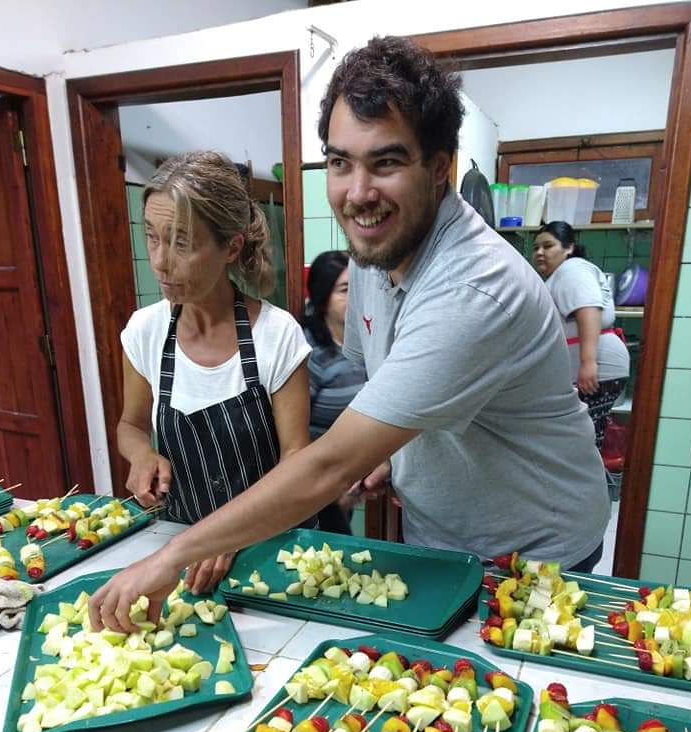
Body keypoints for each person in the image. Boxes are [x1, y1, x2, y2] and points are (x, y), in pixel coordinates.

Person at [90, 36, 611, 633]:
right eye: (340, 162)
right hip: (439, 533)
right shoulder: (374, 255)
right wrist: (388, 453)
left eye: (385, 162)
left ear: (439, 168)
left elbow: (327, 465)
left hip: (535, 547)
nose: (357, 193)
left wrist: (170, 556)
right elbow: (388, 386)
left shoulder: (473, 287)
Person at [118, 151, 312, 594]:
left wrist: (232, 533)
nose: (161, 261)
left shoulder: (276, 336)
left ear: (231, 247)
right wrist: (141, 456)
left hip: (273, 551)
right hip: (177, 550)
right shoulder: (145, 332)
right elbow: (129, 425)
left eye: (181, 243)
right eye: (152, 237)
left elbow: (298, 459)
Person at [533, 221, 630, 450]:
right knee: (580, 445)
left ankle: (583, 486)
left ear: (569, 248)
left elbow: (588, 309)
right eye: (536, 247)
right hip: (589, 370)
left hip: (594, 370)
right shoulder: (560, 276)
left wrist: (588, 363)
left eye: (548, 246)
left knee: (578, 447)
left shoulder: (572, 269)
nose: (539, 252)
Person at [301, 250, 366, 533]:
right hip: (312, 485)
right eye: (345, 289)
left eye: (359, 287)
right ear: (322, 296)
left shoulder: (366, 340)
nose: (356, 297)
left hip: (348, 478)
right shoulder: (309, 351)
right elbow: (293, 433)